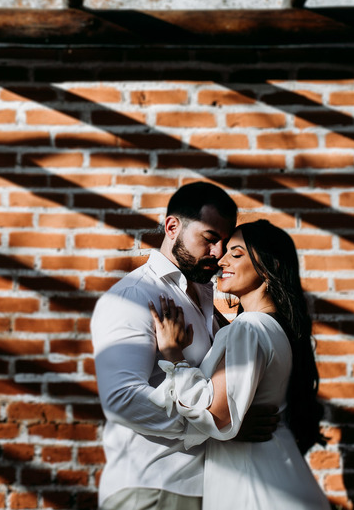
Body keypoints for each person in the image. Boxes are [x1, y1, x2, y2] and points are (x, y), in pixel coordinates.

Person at [91, 182, 278, 510]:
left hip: (205, 487)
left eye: (224, 241)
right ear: (172, 227)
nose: (218, 253)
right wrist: (217, 427)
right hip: (153, 486)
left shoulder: (206, 297)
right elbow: (122, 399)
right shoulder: (134, 297)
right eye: (209, 239)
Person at [148, 220, 329, 510]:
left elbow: (218, 416)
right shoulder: (273, 328)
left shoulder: (249, 328)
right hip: (274, 476)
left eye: (236, 253)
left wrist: (174, 355)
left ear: (269, 268)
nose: (221, 260)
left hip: (256, 487)